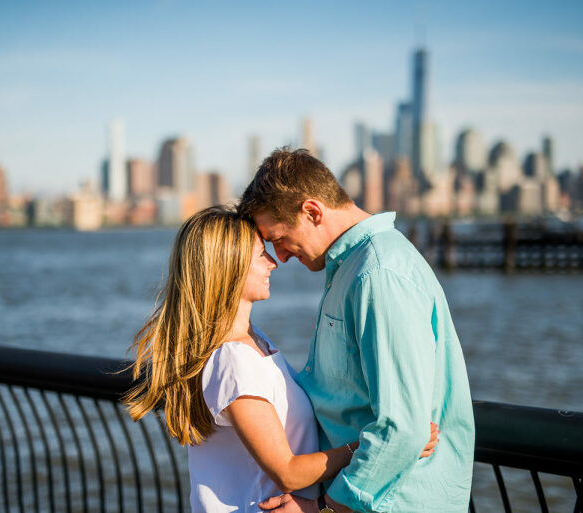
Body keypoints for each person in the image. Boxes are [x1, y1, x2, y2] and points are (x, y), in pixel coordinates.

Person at [124, 206, 438, 512]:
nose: (273, 263)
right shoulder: (233, 361)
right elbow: (287, 472)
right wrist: (380, 445)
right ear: (228, 268)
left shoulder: (256, 341)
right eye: (261, 254)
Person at [238, 148, 475, 513]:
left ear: (313, 212)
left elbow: (402, 430)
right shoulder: (353, 268)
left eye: (279, 237)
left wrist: (323, 510)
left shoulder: (377, 274)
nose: (280, 256)